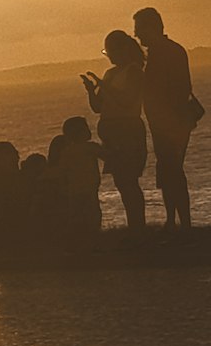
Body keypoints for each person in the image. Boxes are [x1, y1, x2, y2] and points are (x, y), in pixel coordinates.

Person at [133, 7, 198, 235]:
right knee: (169, 172)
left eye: (139, 29)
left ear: (151, 28)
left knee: (173, 173)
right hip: (164, 124)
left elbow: (179, 89)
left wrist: (170, 118)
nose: (136, 35)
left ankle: (183, 225)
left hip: (171, 124)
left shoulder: (166, 53)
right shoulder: (166, 52)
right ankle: (173, 221)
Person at [82, 30, 147, 236]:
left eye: (110, 51)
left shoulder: (135, 71)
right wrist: (92, 91)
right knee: (121, 181)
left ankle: (139, 227)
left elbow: (127, 101)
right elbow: (98, 108)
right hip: (112, 133)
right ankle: (134, 228)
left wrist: (104, 87)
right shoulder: (110, 74)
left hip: (128, 131)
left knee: (129, 181)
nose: (109, 56)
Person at [52, 115, 102, 250]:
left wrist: (63, 187)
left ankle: (75, 243)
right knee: (93, 216)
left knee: (75, 217)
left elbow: (62, 172)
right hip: (89, 189)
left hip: (73, 191)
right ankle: (93, 241)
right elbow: (106, 154)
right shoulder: (90, 148)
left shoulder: (67, 152)